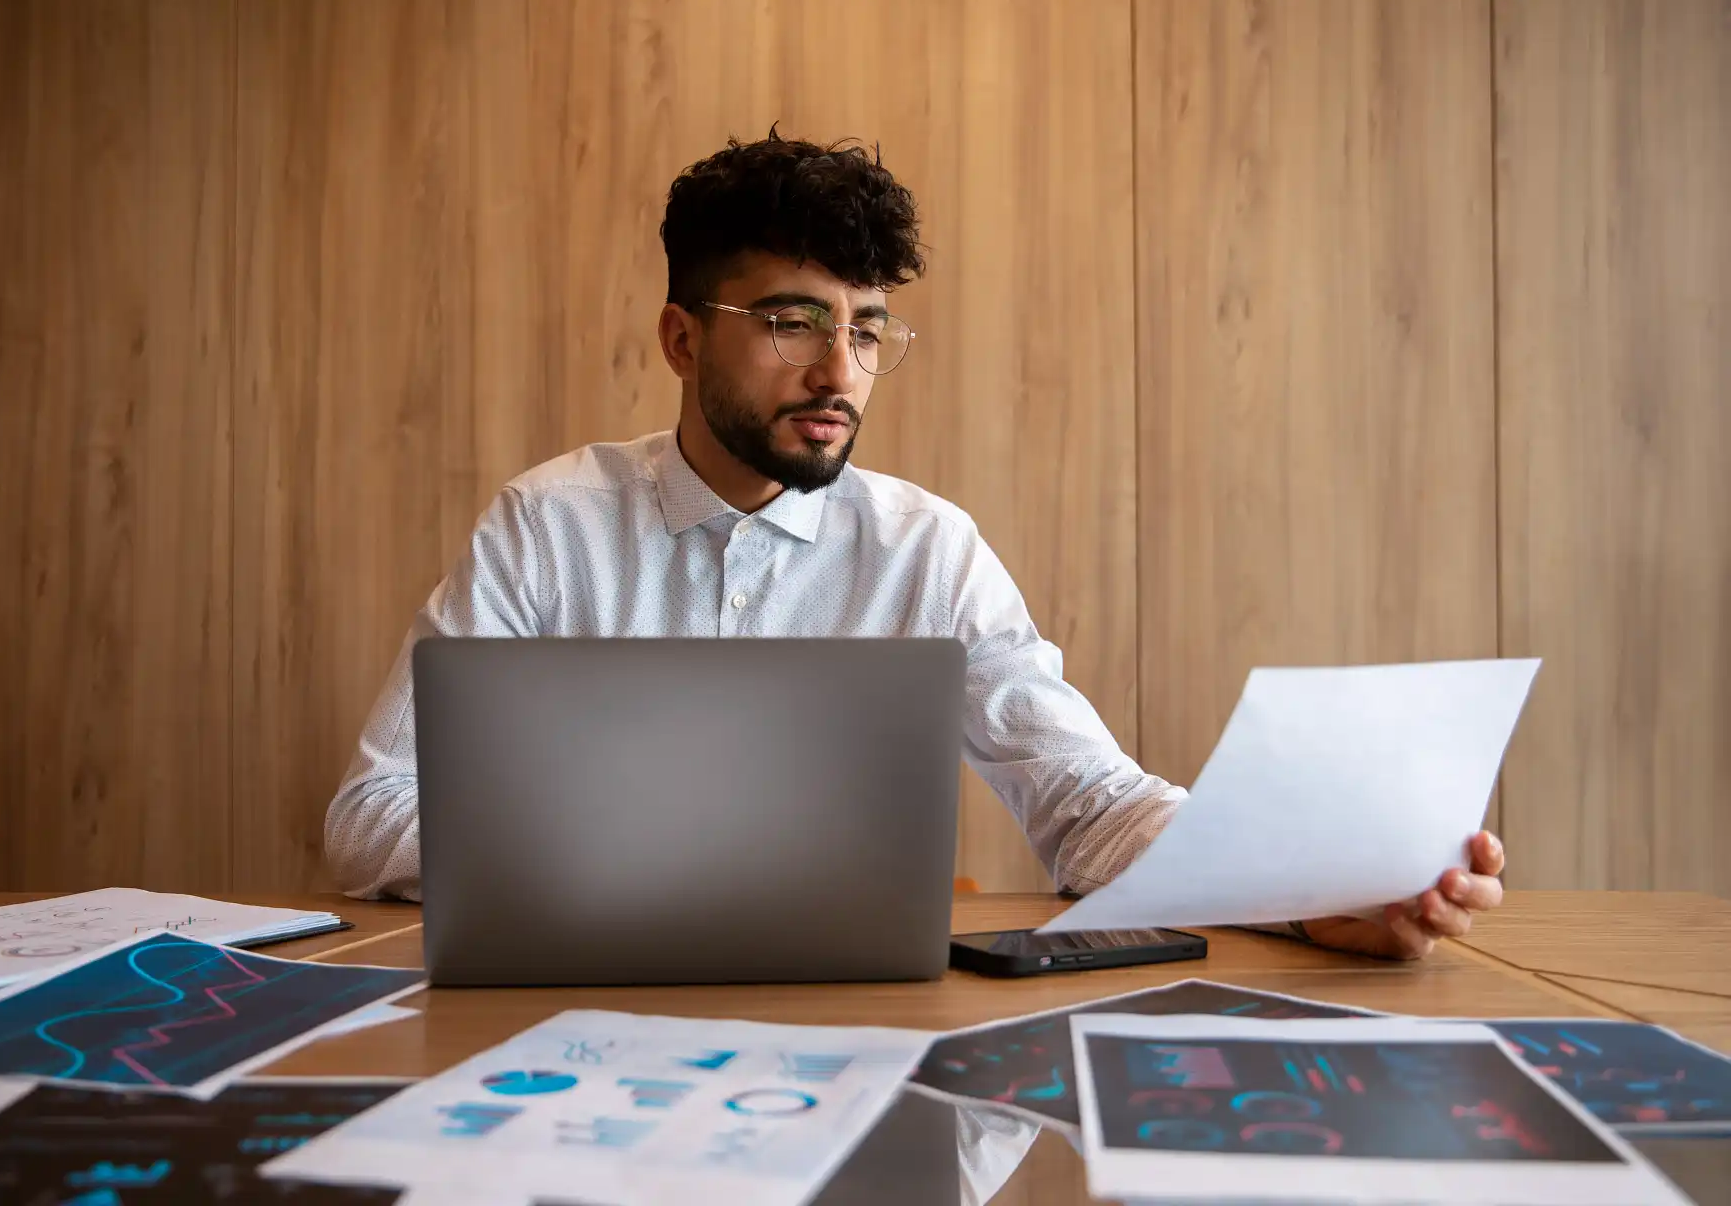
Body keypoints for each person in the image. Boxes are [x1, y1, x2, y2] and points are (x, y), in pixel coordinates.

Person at [325, 130, 1504, 960]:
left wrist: (1305, 890)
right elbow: (374, 808)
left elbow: (1086, 803)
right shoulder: (550, 525)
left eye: (868, 329)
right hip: (571, 1045)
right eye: (793, 322)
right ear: (683, 339)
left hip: (860, 1035)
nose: (841, 372)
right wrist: (637, 851)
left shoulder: (925, 548)